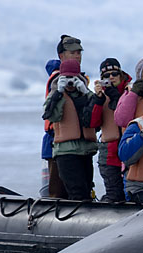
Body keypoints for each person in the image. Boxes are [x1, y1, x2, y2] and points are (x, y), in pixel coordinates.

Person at [42, 59, 97, 201]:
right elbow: (52, 116)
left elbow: (97, 115)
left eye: (73, 78)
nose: (70, 83)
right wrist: (58, 94)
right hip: (65, 152)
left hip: (85, 150)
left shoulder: (86, 95)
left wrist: (86, 93)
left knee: (86, 188)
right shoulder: (55, 96)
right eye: (66, 78)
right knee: (77, 193)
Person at [41, 34, 86, 199]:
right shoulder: (57, 80)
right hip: (57, 141)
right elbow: (51, 113)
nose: (77, 55)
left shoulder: (80, 79)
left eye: (79, 52)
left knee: (80, 189)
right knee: (58, 191)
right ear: (62, 55)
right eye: (72, 52)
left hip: (79, 144)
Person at [88, 58, 132, 202]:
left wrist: (116, 95)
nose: (111, 78)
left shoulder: (131, 92)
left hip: (130, 148)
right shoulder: (100, 97)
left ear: (121, 74)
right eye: (106, 76)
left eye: (114, 74)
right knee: (114, 193)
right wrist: (98, 100)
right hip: (109, 152)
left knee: (131, 191)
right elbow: (93, 123)